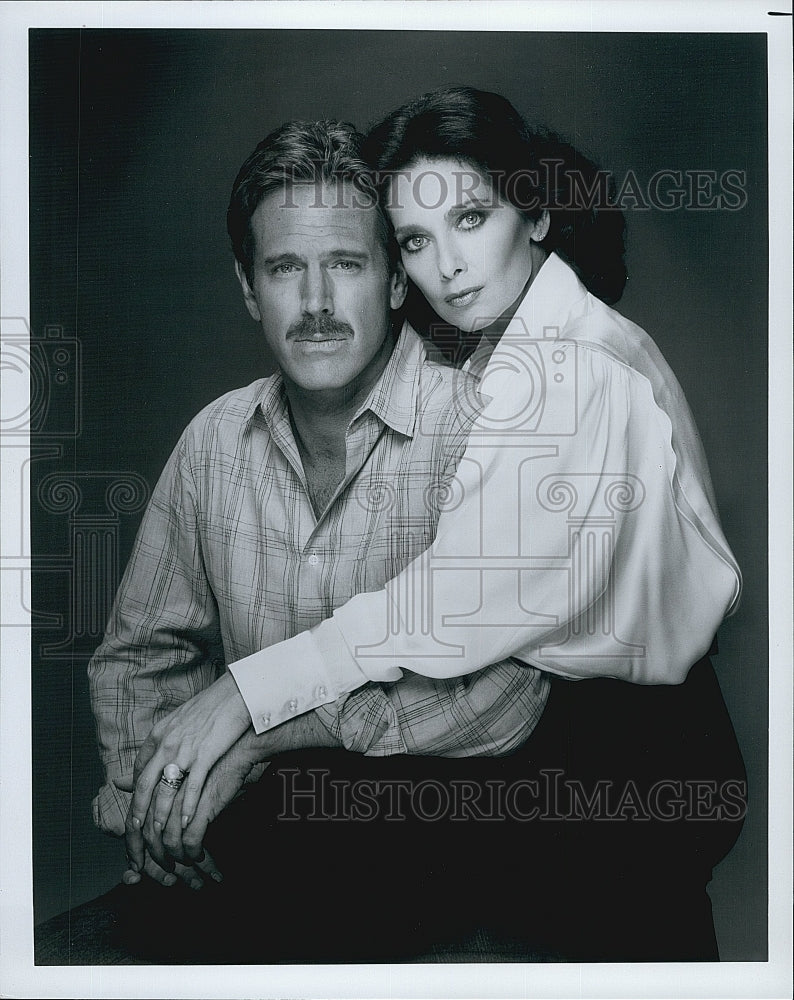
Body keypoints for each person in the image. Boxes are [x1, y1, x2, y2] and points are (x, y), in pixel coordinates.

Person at [85, 118, 551, 962]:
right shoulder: (214, 441)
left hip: (457, 890)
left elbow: (503, 698)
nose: (317, 304)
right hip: (244, 870)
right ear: (247, 287)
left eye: (345, 265)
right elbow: (140, 659)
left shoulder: (483, 431)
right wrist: (160, 814)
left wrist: (258, 732)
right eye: (285, 269)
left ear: (397, 283)